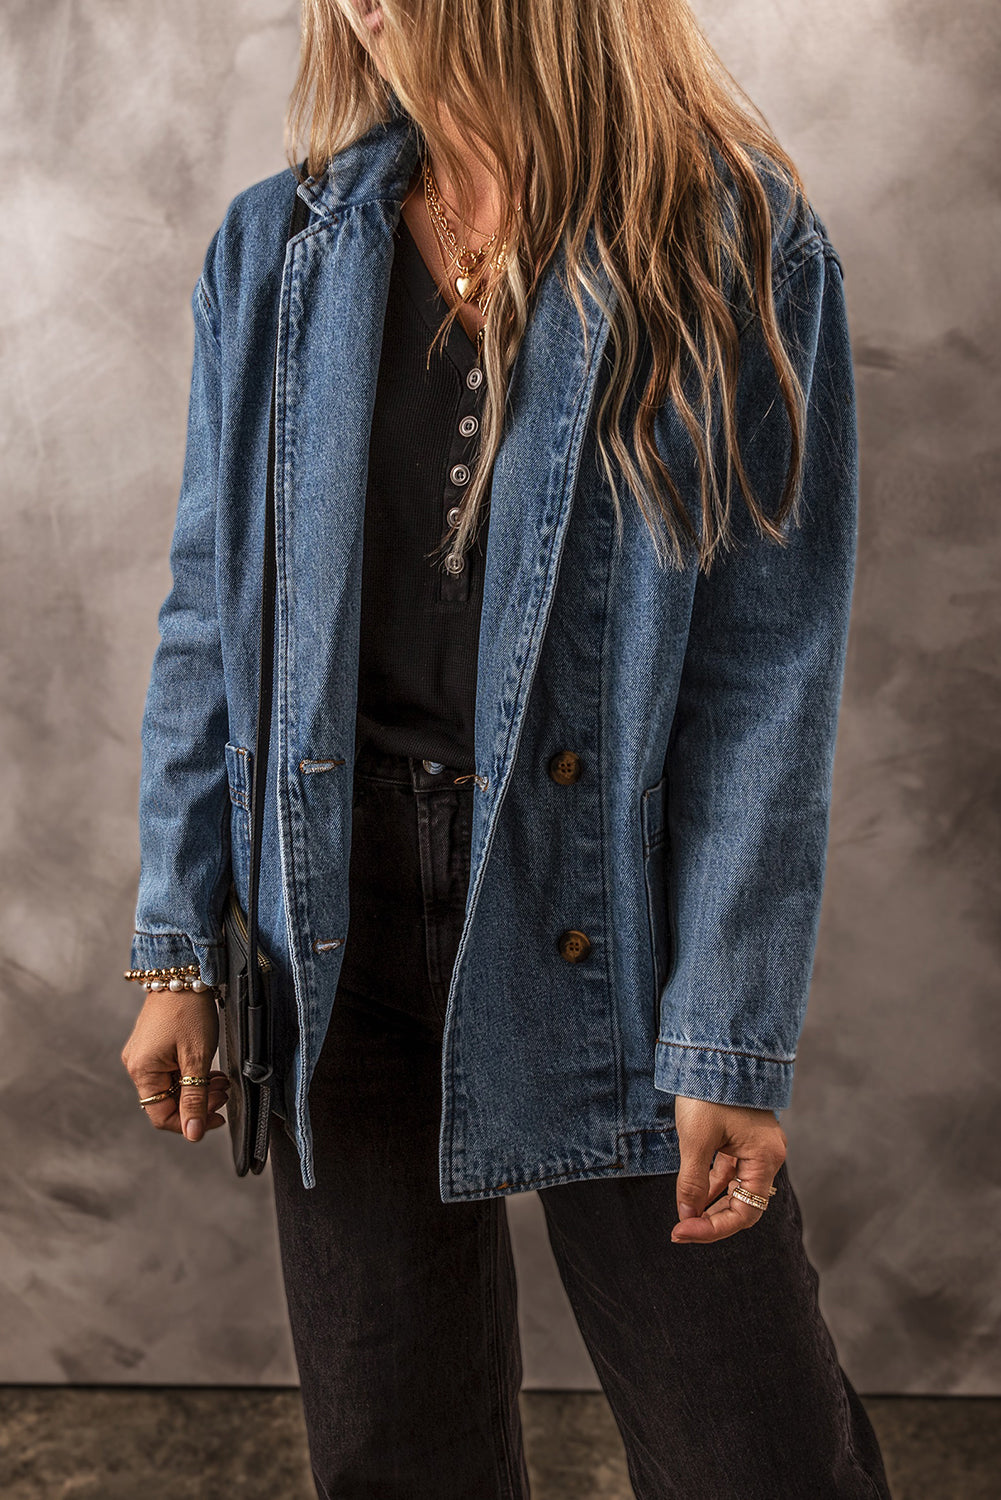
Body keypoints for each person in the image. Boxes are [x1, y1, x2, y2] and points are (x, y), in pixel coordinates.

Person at [120, 1, 893, 1495]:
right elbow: (211, 617)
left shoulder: (731, 246)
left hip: (606, 918)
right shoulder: (276, 249)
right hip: (331, 924)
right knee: (395, 1452)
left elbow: (764, 675)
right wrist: (176, 946)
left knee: (756, 1456)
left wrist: (725, 1033)